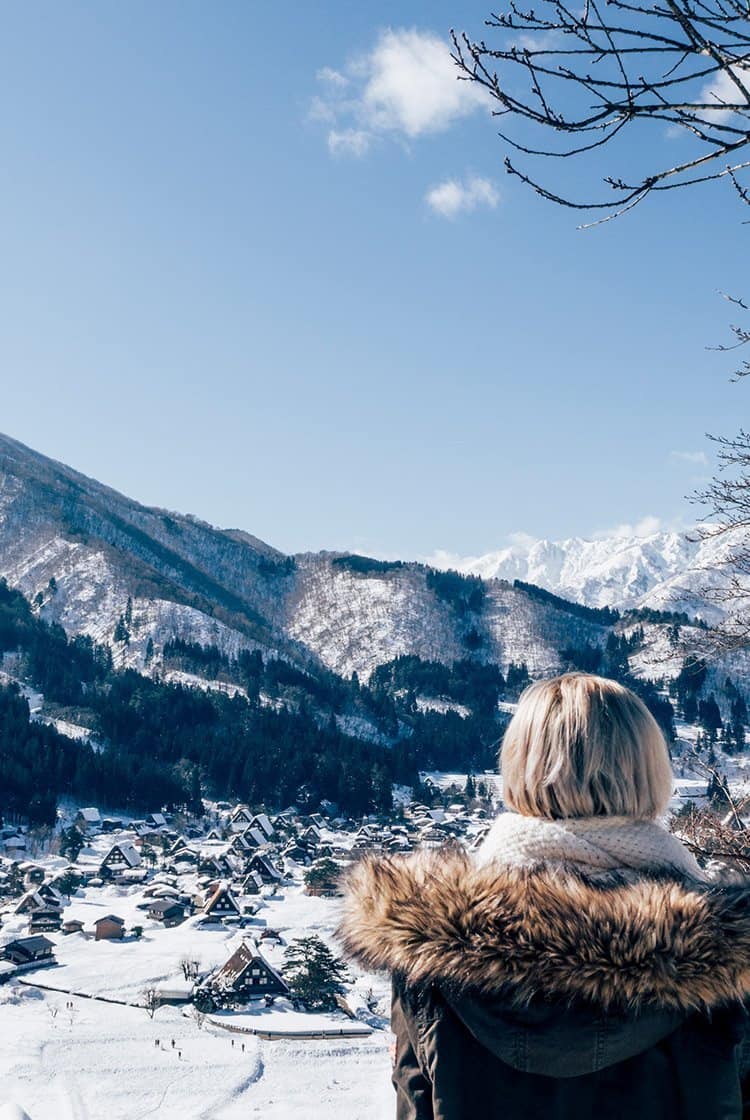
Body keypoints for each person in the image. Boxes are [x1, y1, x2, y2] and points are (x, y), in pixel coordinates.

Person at [337, 672, 750, 1119]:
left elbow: (416, 1101)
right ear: (649, 772)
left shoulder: (430, 943)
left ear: (520, 767)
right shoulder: (725, 951)